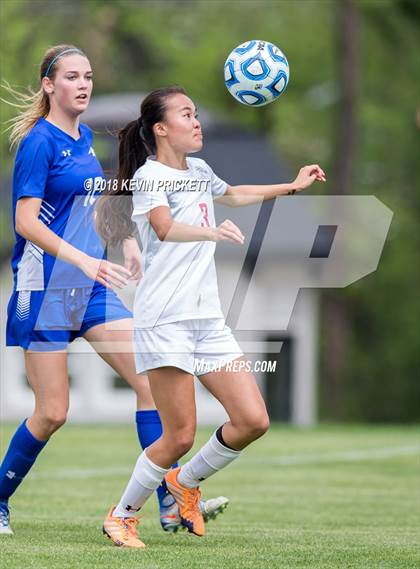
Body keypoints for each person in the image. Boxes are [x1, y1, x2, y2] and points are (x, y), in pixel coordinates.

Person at [0, 47, 227, 537]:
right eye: (71, 77)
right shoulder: (39, 143)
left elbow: (103, 203)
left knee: (148, 383)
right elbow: (23, 221)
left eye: (88, 76)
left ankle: (169, 501)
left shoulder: (84, 138)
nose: (83, 85)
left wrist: (126, 242)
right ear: (48, 85)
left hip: (93, 290)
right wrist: (82, 257)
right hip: (44, 291)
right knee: (52, 412)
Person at [97, 85, 326, 548]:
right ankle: (121, 516)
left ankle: (185, 484)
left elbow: (235, 194)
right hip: (165, 319)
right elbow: (163, 227)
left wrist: (292, 185)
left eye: (196, 113)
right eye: (186, 114)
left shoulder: (198, 169)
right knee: (179, 435)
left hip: (207, 321)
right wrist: (210, 230)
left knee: (252, 420)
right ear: (161, 128)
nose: (196, 121)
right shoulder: (150, 177)